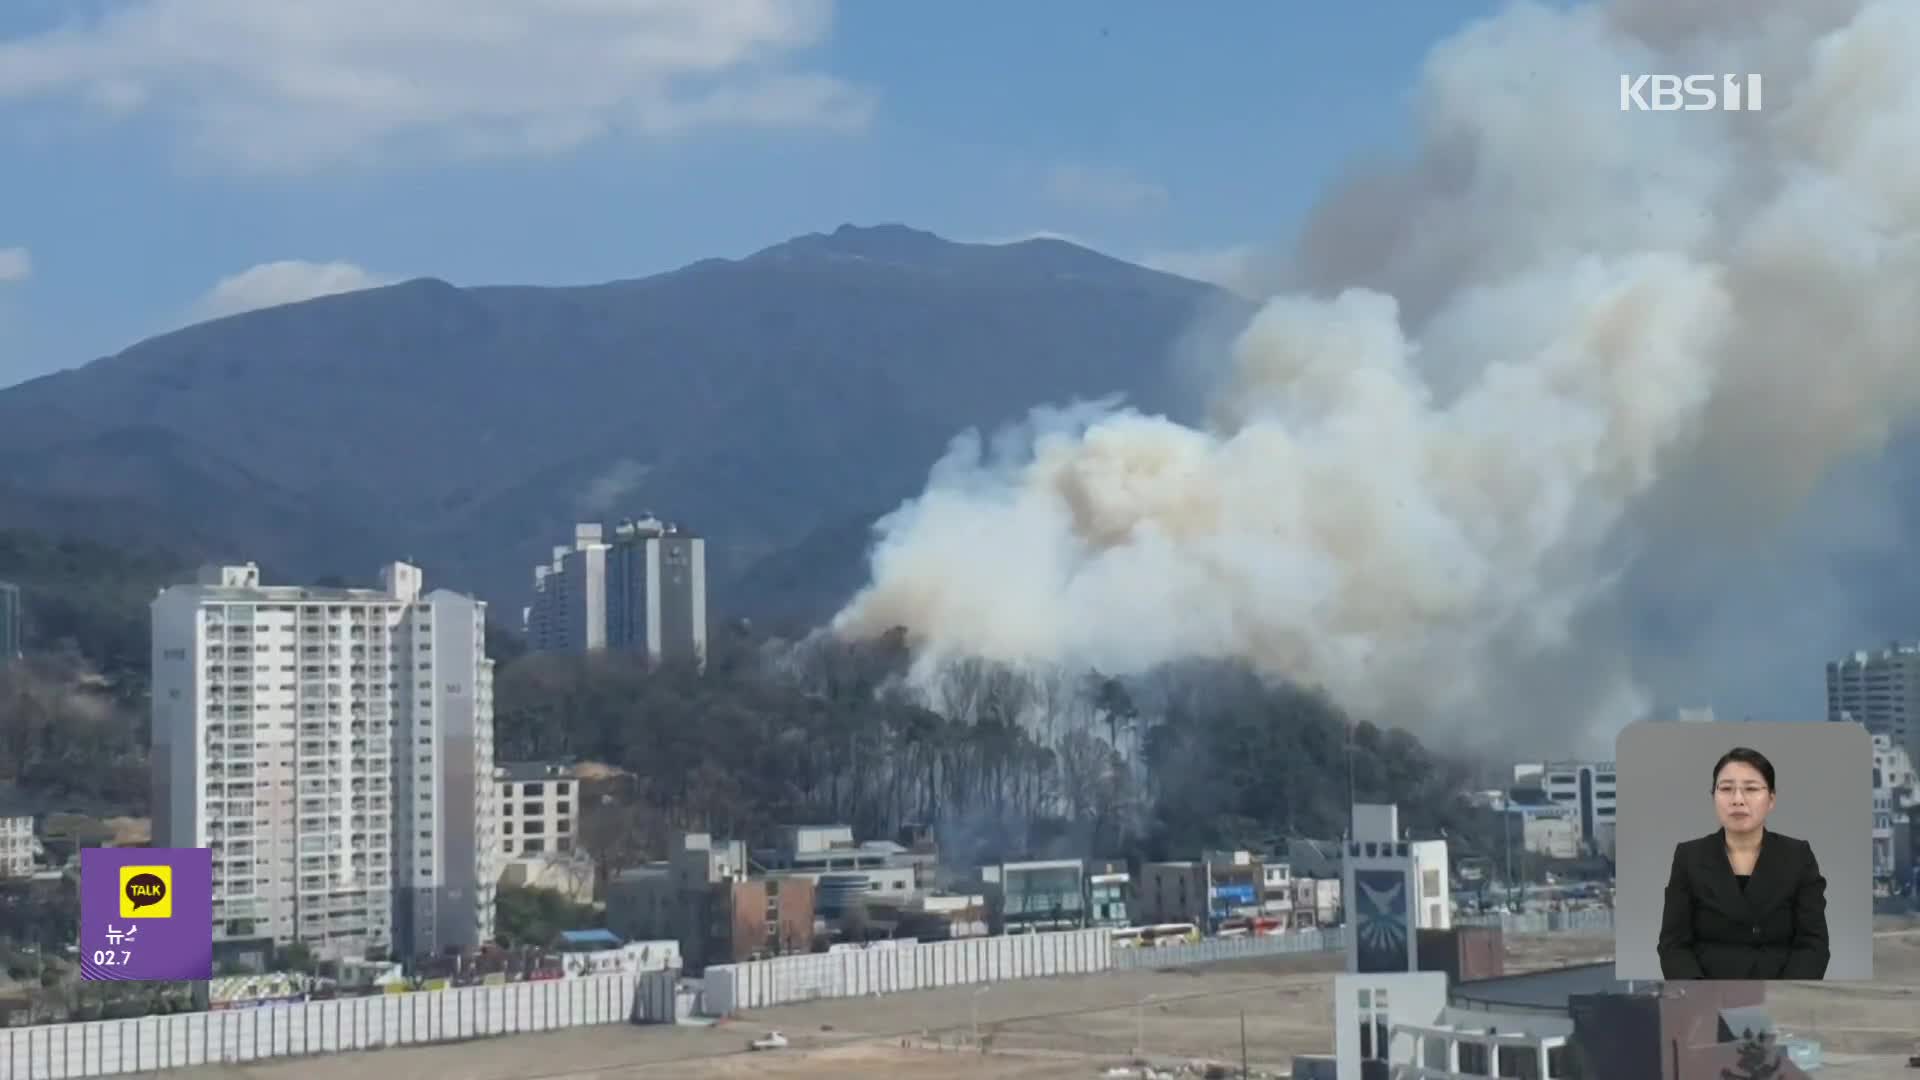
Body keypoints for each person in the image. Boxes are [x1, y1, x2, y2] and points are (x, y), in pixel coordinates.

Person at [1656, 746, 1829, 980]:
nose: (1738, 800)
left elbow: (1813, 944)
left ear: (1771, 799)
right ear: (1713, 797)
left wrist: (1787, 995)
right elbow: (1673, 945)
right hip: (1708, 997)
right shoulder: (1689, 857)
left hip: (1781, 997)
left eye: (1751, 789)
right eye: (1726, 789)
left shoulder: (1798, 856)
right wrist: (1700, 995)